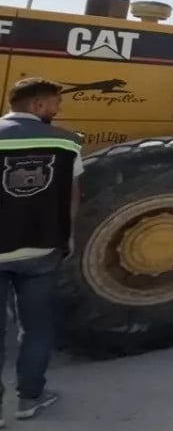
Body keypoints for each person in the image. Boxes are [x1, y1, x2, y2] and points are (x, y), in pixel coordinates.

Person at [0, 78, 83, 421]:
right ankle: (30, 398)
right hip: (41, 250)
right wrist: (69, 238)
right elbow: (73, 199)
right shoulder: (67, 143)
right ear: (38, 105)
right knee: (36, 327)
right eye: (54, 104)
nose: (57, 109)